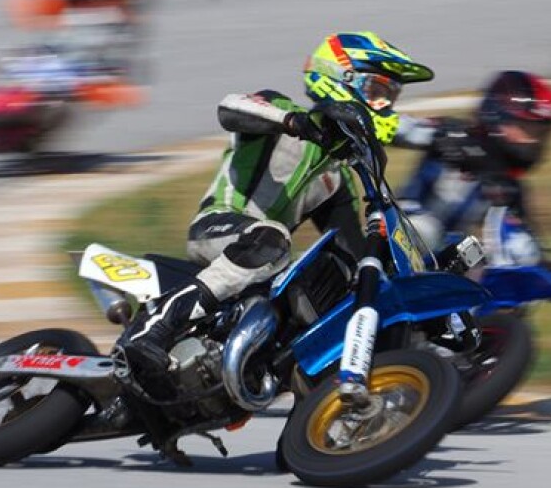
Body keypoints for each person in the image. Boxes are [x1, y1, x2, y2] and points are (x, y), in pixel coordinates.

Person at [114, 32, 433, 389]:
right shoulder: (278, 108)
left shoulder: (336, 177)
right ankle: (154, 329)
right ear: (341, 78)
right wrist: (294, 123)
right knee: (273, 238)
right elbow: (229, 109)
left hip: (262, 263)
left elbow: (352, 253)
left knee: (323, 286)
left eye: (390, 97)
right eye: (376, 91)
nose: (383, 106)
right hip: (217, 227)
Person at [395, 71, 551, 319]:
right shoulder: (454, 134)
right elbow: (396, 128)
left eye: (539, 133)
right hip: (401, 234)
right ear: (496, 116)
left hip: (449, 256)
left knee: (519, 258)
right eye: (526, 129)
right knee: (429, 231)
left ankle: (471, 329)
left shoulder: (510, 188)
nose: (532, 141)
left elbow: (529, 246)